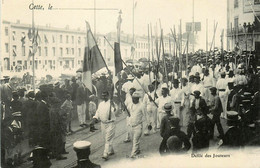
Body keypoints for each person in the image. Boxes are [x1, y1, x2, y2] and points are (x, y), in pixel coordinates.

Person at [93, 91, 117, 160]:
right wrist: (95, 117)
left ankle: (105, 153)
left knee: (108, 139)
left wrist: (113, 106)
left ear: (108, 96)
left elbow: (115, 110)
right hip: (103, 124)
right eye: (103, 96)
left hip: (110, 123)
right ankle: (111, 150)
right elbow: (98, 112)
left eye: (105, 96)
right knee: (105, 139)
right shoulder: (100, 104)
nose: (104, 97)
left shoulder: (112, 103)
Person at [127, 92, 147, 158]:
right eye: (133, 98)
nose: (133, 100)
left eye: (135, 98)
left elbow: (145, 115)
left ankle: (133, 154)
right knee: (134, 140)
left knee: (135, 140)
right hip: (131, 125)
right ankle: (137, 150)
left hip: (138, 126)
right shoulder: (130, 105)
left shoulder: (142, 105)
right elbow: (128, 113)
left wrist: (148, 124)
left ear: (138, 99)